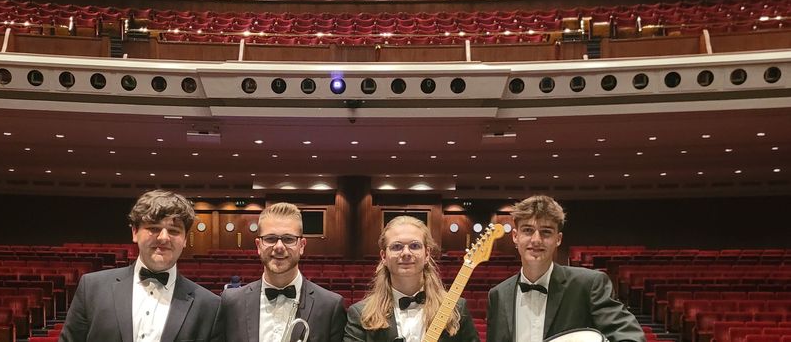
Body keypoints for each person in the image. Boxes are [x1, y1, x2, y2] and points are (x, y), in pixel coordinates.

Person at [59, 190, 224, 342]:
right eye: (153, 228)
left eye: (174, 231)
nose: (164, 238)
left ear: (185, 239)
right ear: (135, 232)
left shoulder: (210, 305)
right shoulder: (92, 288)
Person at [485, 195, 644, 342]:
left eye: (546, 232)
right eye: (527, 230)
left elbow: (631, 337)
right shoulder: (498, 295)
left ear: (558, 239)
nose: (536, 240)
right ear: (515, 236)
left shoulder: (589, 285)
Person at [219, 202, 346, 342]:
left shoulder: (330, 306)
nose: (279, 247)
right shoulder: (231, 303)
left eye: (288, 239)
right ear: (258, 245)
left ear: (302, 245)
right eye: (270, 238)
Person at [344, 216, 479, 342]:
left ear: (427, 254)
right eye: (397, 247)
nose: (406, 253)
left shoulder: (456, 308)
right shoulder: (360, 314)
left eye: (414, 246)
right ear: (384, 256)